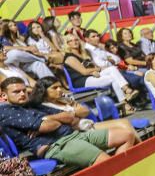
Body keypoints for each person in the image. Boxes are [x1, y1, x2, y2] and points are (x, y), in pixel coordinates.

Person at [0, 77, 134, 168]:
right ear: (4, 95)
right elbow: (51, 125)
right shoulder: (6, 111)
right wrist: (48, 121)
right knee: (106, 161)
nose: (22, 94)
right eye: (16, 92)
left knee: (127, 135)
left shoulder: (28, 105)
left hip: (73, 135)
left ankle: (123, 172)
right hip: (57, 145)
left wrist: (47, 119)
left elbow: (69, 118)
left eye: (24, 90)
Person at [29, 76, 139, 145]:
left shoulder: (64, 100)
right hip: (78, 132)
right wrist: (73, 113)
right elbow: (69, 120)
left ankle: (142, 150)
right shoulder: (43, 107)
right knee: (126, 133)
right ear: (44, 91)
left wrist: (71, 113)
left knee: (125, 122)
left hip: (88, 125)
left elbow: (85, 111)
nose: (59, 90)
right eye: (54, 88)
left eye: (59, 87)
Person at [63, 34, 139, 111]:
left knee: (112, 69)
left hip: (91, 75)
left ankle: (126, 90)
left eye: (76, 40)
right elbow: (84, 72)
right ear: (67, 44)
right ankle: (125, 104)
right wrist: (94, 71)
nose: (75, 42)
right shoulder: (70, 57)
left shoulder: (84, 53)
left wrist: (97, 70)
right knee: (113, 79)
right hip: (82, 81)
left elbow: (95, 67)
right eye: (71, 41)